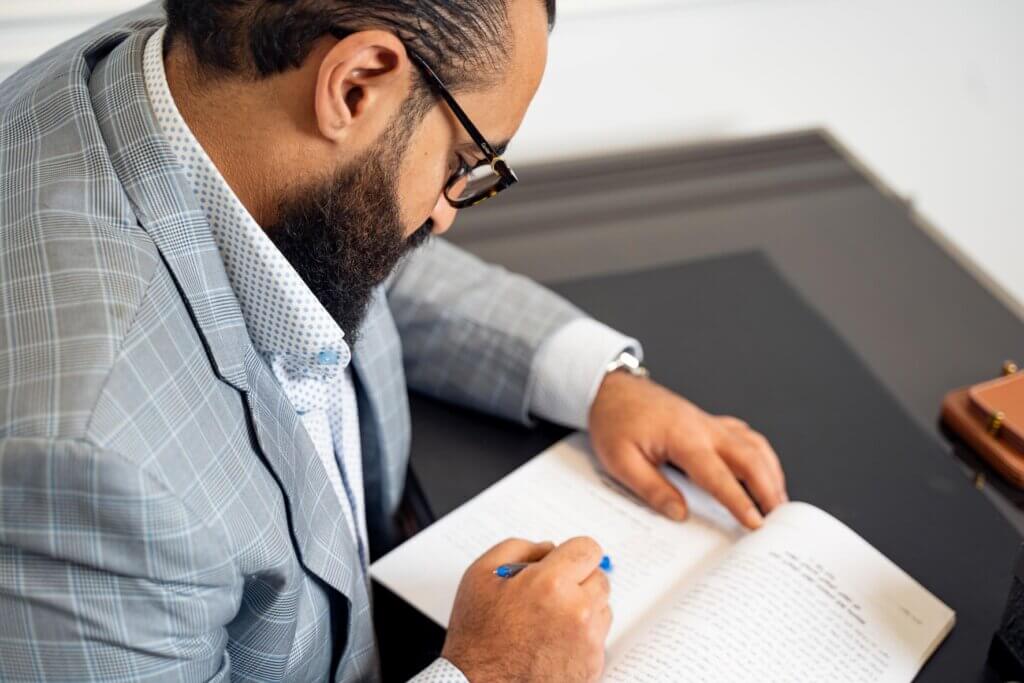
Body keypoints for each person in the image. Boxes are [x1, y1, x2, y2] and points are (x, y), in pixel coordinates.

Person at [0, 1, 787, 680]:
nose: (448, 213)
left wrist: (599, 381)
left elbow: (365, 241)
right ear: (354, 84)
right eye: (467, 163)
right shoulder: (87, 468)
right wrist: (490, 672)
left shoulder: (203, 74)